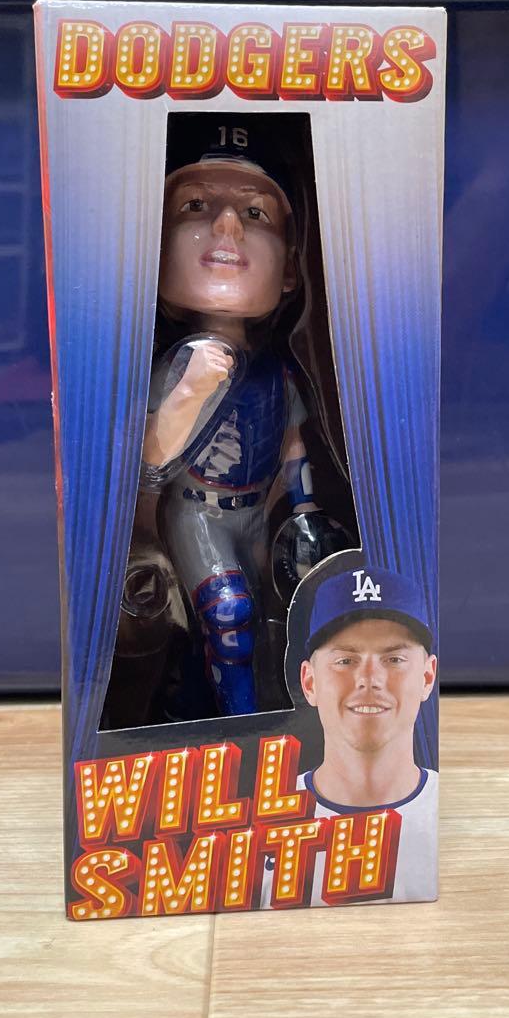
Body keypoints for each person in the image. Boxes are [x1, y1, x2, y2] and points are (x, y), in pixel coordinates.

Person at [140, 117, 320, 717]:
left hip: (255, 514)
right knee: (228, 611)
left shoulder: (276, 370)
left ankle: (209, 702)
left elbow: (292, 444)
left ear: (291, 268)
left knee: (271, 613)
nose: (225, 226)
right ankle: (241, 725)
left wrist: (305, 510)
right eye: (195, 206)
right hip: (198, 510)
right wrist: (190, 391)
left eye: (254, 213)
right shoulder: (181, 364)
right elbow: (151, 459)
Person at [264, 561, 439, 905]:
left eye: (394, 659)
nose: (369, 678)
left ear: (427, 677)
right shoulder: (260, 832)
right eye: (345, 660)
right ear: (309, 682)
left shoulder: (446, 821)